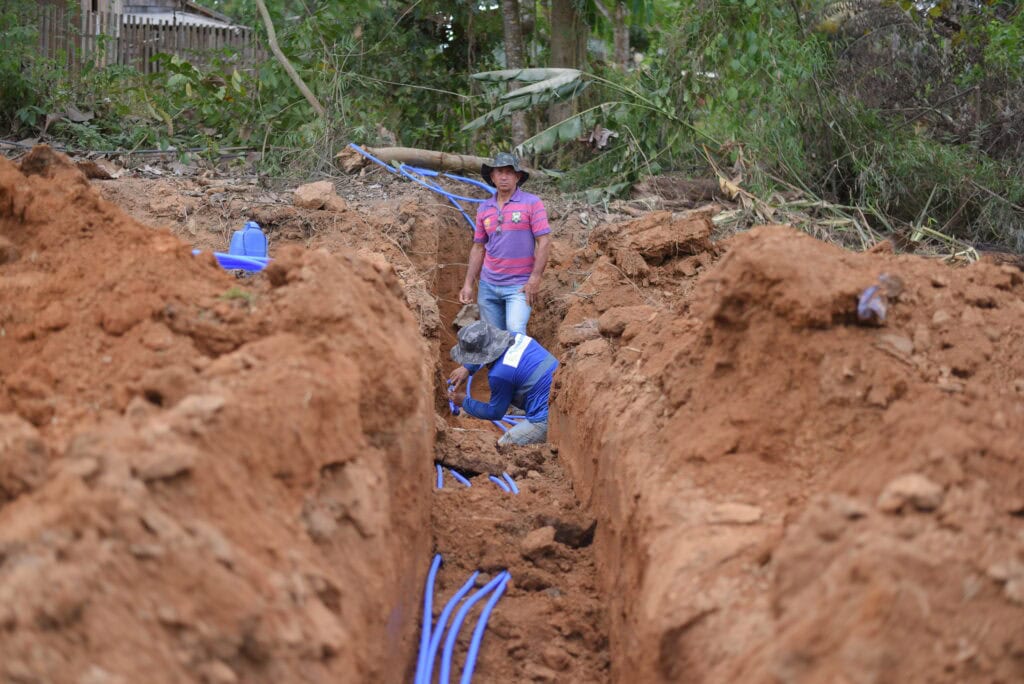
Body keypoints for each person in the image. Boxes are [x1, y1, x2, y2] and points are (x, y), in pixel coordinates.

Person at [459, 152, 552, 335]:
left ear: (517, 176)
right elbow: (478, 248)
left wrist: (535, 278)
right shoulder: (484, 208)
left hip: (519, 285)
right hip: (488, 285)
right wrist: (468, 284)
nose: (504, 177)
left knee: (515, 330)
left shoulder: (532, 203)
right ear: (492, 177)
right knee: (493, 338)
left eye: (509, 172)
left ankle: (525, 355)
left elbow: (544, 241)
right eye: (499, 172)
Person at [447, 320, 558, 446]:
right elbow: (488, 352)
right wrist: (467, 367)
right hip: (561, 388)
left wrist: (464, 402)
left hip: (549, 415)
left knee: (504, 446)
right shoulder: (516, 337)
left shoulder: (499, 375)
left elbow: (495, 412)